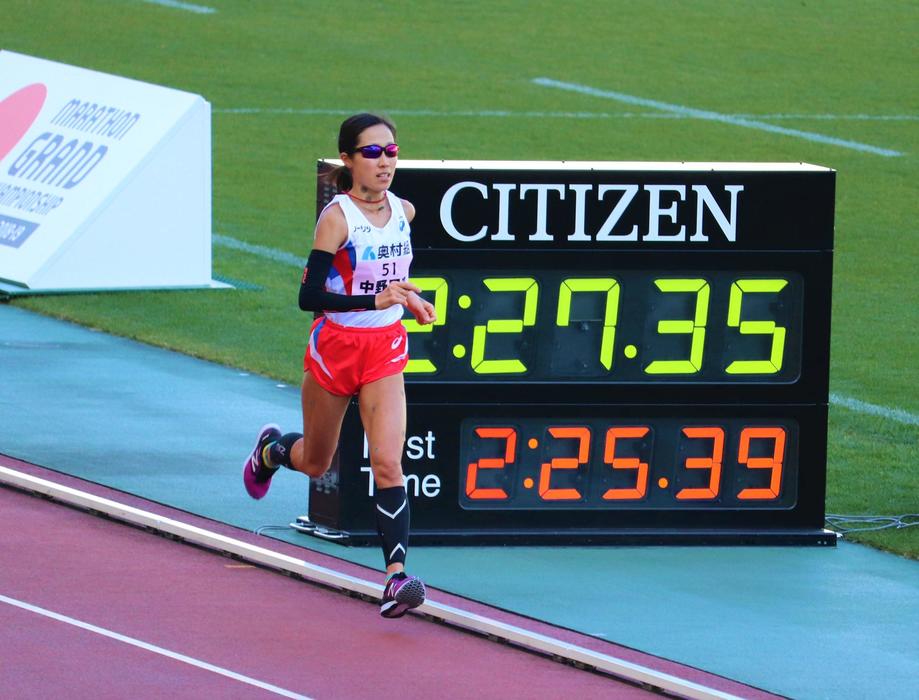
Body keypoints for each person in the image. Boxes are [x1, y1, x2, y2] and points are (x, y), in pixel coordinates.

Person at [242, 113, 436, 619]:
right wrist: (376, 300)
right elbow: (310, 297)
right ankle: (270, 450)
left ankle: (395, 579)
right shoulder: (337, 217)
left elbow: (394, 280)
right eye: (372, 152)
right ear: (348, 160)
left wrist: (407, 302)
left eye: (391, 151)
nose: (385, 161)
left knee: (389, 463)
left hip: (385, 349)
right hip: (336, 348)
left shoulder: (405, 211)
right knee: (316, 462)